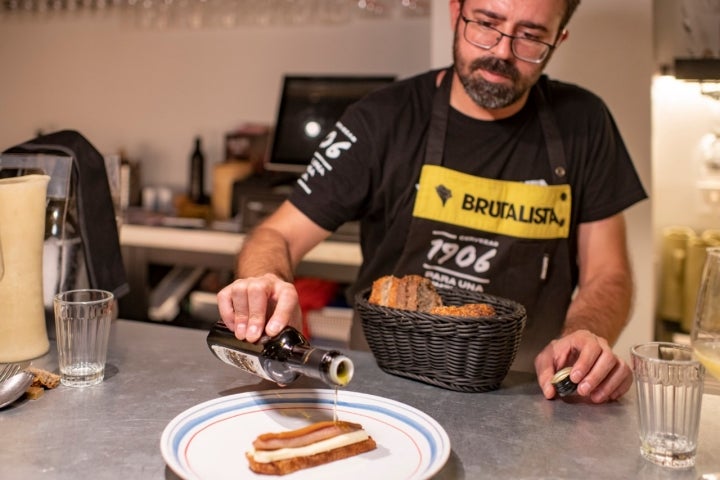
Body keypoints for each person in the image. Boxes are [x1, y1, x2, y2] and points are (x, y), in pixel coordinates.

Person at [217, 0, 647, 404]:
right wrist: (265, 282)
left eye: (531, 36)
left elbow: (608, 274)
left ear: (560, 38)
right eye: (486, 23)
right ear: (455, 12)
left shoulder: (585, 124)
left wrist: (587, 335)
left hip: (526, 396)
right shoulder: (381, 120)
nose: (501, 51)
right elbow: (277, 235)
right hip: (382, 385)